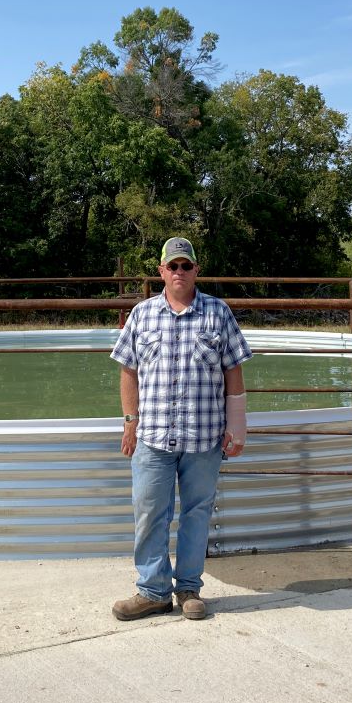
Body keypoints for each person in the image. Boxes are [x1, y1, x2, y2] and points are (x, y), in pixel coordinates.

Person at [109, 236, 252, 621]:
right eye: (172, 266)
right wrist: (129, 423)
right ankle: (153, 591)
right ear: (161, 271)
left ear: (196, 270)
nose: (179, 272)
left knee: (196, 512)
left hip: (203, 436)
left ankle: (189, 588)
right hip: (152, 436)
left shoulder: (218, 313)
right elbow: (128, 371)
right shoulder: (142, 315)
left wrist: (236, 426)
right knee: (149, 511)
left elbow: (233, 371)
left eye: (186, 265)